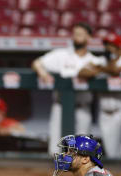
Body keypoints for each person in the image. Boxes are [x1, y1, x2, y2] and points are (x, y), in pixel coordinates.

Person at [32, 22, 101, 155]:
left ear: (89, 38)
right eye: (75, 34)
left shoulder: (94, 60)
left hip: (82, 107)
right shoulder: (61, 55)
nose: (76, 37)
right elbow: (37, 63)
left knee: (82, 152)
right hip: (61, 106)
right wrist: (43, 73)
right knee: (55, 150)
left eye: (80, 34)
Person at [79, 32, 121, 159]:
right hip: (107, 113)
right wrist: (101, 66)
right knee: (114, 155)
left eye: (112, 45)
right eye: (107, 45)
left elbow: (117, 71)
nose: (108, 48)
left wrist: (99, 69)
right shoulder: (99, 60)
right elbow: (82, 72)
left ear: (120, 49)